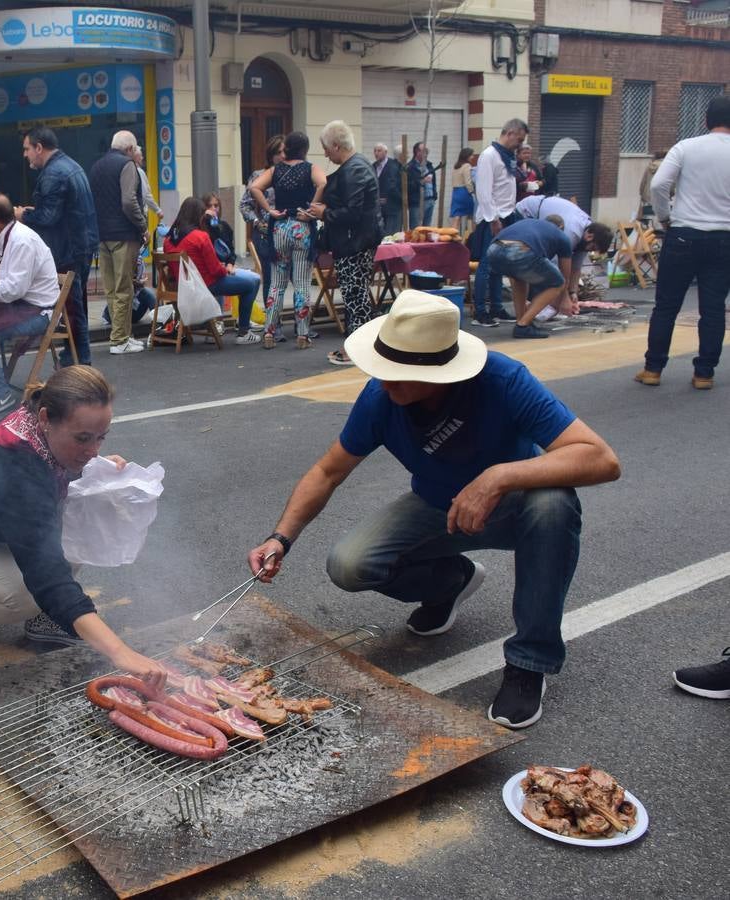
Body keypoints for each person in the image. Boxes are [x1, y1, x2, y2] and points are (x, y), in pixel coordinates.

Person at [247, 291, 621, 729]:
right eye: (382, 369)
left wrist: (498, 477)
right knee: (350, 564)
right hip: (437, 506)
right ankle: (452, 581)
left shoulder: (502, 379)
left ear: (441, 371)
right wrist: (280, 537)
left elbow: (601, 459)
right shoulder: (380, 398)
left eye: (398, 375)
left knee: (555, 504)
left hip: (514, 507)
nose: (385, 382)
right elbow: (328, 472)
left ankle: (529, 663)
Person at [0, 365, 170, 684]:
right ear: (45, 418)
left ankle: (43, 618)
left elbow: (50, 494)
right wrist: (119, 651)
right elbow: (46, 575)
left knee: (86, 519)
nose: (93, 450)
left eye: (101, 438)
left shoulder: (40, 437)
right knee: (23, 595)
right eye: (83, 438)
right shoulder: (16, 463)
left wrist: (95, 466)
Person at [635, 96, 730, 391]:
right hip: (724, 238)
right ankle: (704, 373)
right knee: (713, 309)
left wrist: (666, 217)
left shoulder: (686, 147)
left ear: (705, 120)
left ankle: (653, 369)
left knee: (666, 305)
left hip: (683, 234)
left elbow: (659, 184)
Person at [0, 192, 61, 412]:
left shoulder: (21, 241)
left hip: (38, 312)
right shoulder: (5, 238)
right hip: (20, 305)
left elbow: (13, 290)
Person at [16, 127, 98, 366]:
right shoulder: (70, 165)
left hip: (68, 249)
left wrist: (23, 216)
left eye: (27, 149)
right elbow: (60, 210)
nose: (25, 154)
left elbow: (48, 217)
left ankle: (79, 360)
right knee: (76, 305)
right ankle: (73, 355)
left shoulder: (53, 174)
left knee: (72, 308)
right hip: (81, 244)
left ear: (39, 147)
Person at [306, 121, 380, 366]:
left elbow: (352, 213)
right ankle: (361, 346)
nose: (325, 154)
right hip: (356, 241)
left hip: (355, 244)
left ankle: (357, 350)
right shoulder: (357, 166)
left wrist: (324, 213)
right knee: (355, 296)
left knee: (355, 296)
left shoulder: (354, 169)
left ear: (336, 146)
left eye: (326, 148)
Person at [249, 131, 328, 350]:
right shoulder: (311, 168)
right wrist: (311, 208)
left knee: (276, 283)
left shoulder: (275, 170)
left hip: (280, 228)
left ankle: (269, 333)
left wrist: (269, 210)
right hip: (302, 227)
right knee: (302, 282)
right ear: (304, 149)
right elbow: (323, 184)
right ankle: (303, 334)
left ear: (287, 148)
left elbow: (254, 187)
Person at [162, 196, 262, 344]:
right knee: (251, 283)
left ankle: (220, 326)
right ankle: (244, 332)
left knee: (247, 279)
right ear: (198, 216)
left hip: (183, 287)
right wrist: (226, 270)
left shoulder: (168, 240)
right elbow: (215, 271)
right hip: (206, 284)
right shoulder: (200, 237)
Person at [89, 130, 147, 355]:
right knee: (125, 289)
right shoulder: (127, 165)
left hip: (102, 236)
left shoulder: (96, 166)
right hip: (123, 235)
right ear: (131, 149)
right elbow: (129, 201)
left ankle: (121, 335)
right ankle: (120, 340)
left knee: (111, 289)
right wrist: (142, 225)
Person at [470, 118, 530, 328]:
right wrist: (493, 219)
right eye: (519, 139)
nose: (520, 144)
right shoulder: (489, 156)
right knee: (486, 266)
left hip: (507, 214)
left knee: (498, 265)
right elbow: (484, 191)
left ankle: (496, 307)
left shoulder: (508, 156)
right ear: (510, 133)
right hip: (492, 218)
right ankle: (480, 312)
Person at [515, 195, 614, 315]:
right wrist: (563, 299)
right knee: (536, 264)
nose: (590, 251)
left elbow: (575, 268)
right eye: (592, 248)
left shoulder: (586, 235)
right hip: (527, 212)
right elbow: (555, 269)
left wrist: (573, 293)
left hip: (543, 212)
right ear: (589, 237)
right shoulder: (571, 233)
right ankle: (530, 310)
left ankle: (535, 309)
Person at [485, 218, 579, 338]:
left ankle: (523, 321)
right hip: (519, 249)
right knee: (558, 283)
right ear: (560, 227)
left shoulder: (532, 224)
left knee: (519, 279)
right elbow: (565, 276)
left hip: (493, 249)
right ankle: (523, 325)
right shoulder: (562, 236)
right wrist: (565, 299)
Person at [242, 136, 286, 314]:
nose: (282, 156)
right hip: (265, 233)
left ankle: (301, 324)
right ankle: (272, 321)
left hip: (289, 232)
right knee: (270, 278)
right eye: (278, 152)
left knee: (293, 277)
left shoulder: (295, 174)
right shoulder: (258, 175)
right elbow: (244, 204)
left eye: (285, 152)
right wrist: (256, 221)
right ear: (271, 155)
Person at [372, 143, 403, 235]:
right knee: (381, 235)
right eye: (375, 151)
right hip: (378, 209)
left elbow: (396, 185)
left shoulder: (394, 166)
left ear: (386, 152)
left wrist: (397, 199)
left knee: (392, 234)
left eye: (379, 150)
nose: (376, 153)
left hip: (393, 207)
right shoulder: (373, 166)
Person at [202, 192, 237, 265]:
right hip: (210, 267)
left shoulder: (225, 226)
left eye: (216, 205)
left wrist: (230, 264)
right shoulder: (200, 226)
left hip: (226, 266)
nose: (213, 208)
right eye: (209, 206)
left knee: (253, 276)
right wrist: (206, 218)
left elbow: (231, 250)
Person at [408, 142, 436, 227]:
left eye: (427, 151)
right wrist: (421, 182)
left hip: (430, 200)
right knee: (416, 229)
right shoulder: (410, 167)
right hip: (417, 202)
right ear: (417, 152)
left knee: (427, 229)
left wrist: (434, 196)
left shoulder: (429, 165)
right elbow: (408, 185)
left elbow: (433, 181)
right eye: (425, 151)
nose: (426, 153)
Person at [449, 147, 476, 236]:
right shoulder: (467, 166)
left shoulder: (456, 166)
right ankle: (473, 236)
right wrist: (472, 192)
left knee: (457, 217)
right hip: (464, 192)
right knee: (471, 216)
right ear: (467, 156)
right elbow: (468, 182)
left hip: (456, 192)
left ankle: (452, 236)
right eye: (471, 155)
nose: (473, 157)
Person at [638, 148, 667, 226]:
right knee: (660, 225)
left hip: (647, 199)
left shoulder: (649, 166)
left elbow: (643, 182)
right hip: (660, 199)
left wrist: (642, 194)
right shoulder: (666, 167)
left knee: (647, 223)